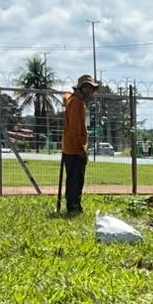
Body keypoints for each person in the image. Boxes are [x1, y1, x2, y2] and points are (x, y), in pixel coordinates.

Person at [61, 74, 101, 214]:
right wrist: (81, 149)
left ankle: (75, 205)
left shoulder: (74, 100)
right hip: (75, 148)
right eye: (87, 87)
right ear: (81, 88)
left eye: (92, 88)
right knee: (75, 180)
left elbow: (65, 97)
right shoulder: (77, 102)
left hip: (72, 147)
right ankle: (73, 207)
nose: (90, 91)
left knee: (75, 179)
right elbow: (75, 129)